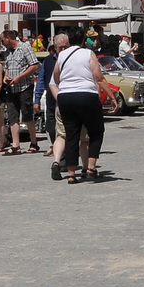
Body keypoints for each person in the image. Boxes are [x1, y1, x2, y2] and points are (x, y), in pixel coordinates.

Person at [48, 30, 107, 183]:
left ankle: (71, 173)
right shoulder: (88, 54)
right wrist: (111, 97)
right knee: (96, 131)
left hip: (65, 97)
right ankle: (91, 168)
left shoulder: (61, 55)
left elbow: (55, 76)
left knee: (71, 134)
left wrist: (64, 85)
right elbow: (98, 76)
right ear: (83, 40)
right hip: (86, 95)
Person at [0, 29, 39, 154]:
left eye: (2, 40)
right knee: (12, 116)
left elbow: (35, 65)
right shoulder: (8, 52)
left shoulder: (25, 47)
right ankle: (16, 145)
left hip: (25, 86)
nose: (2, 42)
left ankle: (34, 143)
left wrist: (20, 77)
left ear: (9, 38)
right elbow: (8, 67)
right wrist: (6, 76)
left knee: (27, 114)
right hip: (12, 88)